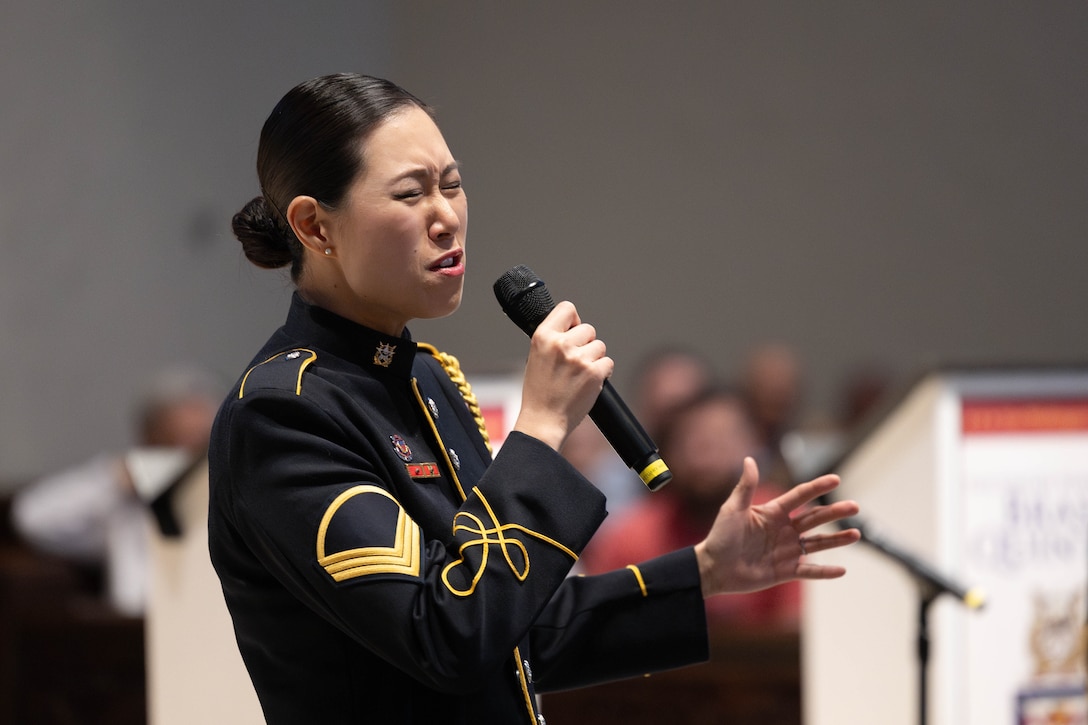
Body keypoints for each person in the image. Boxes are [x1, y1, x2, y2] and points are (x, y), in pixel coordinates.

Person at [208, 73, 861, 724]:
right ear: (314, 226)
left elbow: (510, 635)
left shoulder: (424, 378)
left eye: (453, 183)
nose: (446, 217)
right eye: (410, 193)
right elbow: (448, 636)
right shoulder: (283, 414)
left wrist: (704, 573)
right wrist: (543, 426)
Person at [581, 386, 801, 631]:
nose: (705, 457)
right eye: (693, 441)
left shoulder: (781, 523)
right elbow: (597, 628)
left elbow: (798, 632)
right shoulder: (630, 535)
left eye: (720, 440)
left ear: (754, 445)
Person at [10, 364, 220, 615]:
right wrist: (116, 479)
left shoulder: (233, 499)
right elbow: (33, 519)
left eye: (201, 445)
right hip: (132, 633)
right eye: (176, 442)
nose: (188, 458)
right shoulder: (122, 502)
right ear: (149, 439)